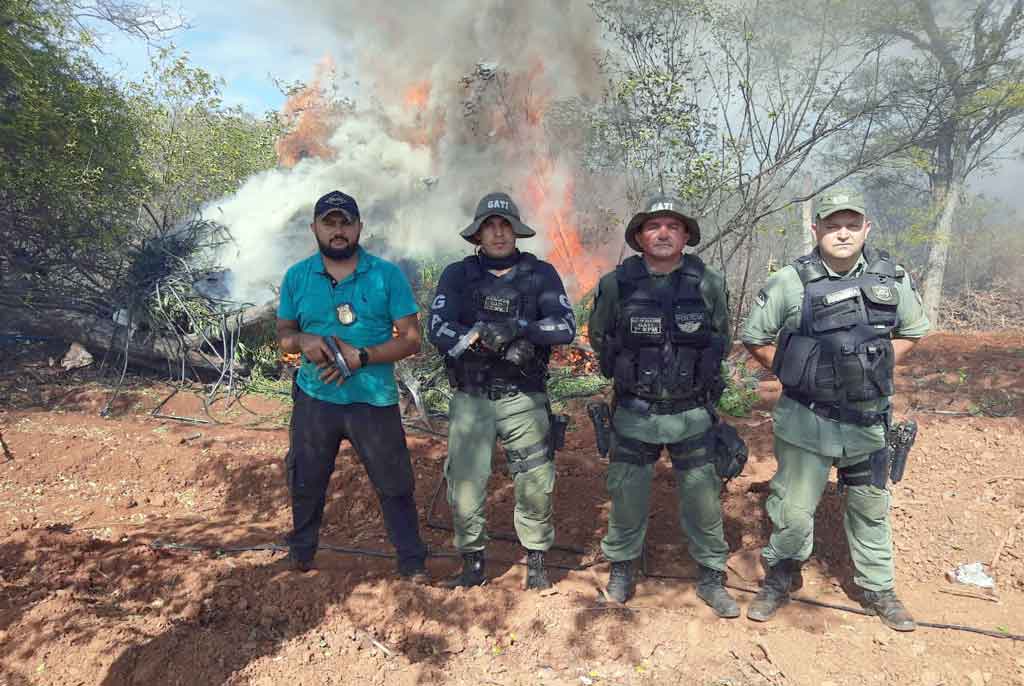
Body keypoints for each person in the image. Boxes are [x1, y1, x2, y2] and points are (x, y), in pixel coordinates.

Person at [741, 188, 930, 631]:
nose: (841, 233)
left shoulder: (892, 278)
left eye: (851, 224)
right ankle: (781, 576)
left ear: (866, 228)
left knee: (870, 506)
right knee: (792, 509)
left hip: (868, 420)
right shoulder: (791, 280)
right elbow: (755, 336)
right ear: (816, 230)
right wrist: (793, 372)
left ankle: (878, 589)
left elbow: (914, 330)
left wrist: (878, 365)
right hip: (809, 419)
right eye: (832, 225)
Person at [588, 196, 739, 617]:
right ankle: (622, 570)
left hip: (691, 413)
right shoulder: (616, 284)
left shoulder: (708, 282)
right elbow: (599, 335)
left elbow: (721, 336)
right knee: (627, 497)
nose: (663, 233)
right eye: (654, 226)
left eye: (673, 225)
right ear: (639, 236)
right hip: (635, 412)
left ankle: (712, 576)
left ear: (686, 235)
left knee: (703, 498)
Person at [276, 190, 428, 580]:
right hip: (315, 397)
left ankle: (412, 564)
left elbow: (411, 339)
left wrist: (360, 356)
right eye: (330, 223)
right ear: (315, 228)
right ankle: (301, 555)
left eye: (346, 223)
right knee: (306, 479)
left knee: (394, 483)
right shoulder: (297, 277)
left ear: (359, 227)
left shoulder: (386, 275)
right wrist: (304, 342)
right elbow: (284, 335)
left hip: (372, 399)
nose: (338, 231)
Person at [427, 191, 576, 591]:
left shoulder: (540, 274)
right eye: (489, 226)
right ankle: (473, 562)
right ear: (477, 234)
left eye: (505, 226)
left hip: (522, 397)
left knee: (535, 480)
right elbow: (436, 328)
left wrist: (520, 331)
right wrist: (475, 337)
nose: (497, 233)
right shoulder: (457, 275)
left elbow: (565, 326)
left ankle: (537, 560)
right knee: (466, 483)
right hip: (471, 398)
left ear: (516, 232)